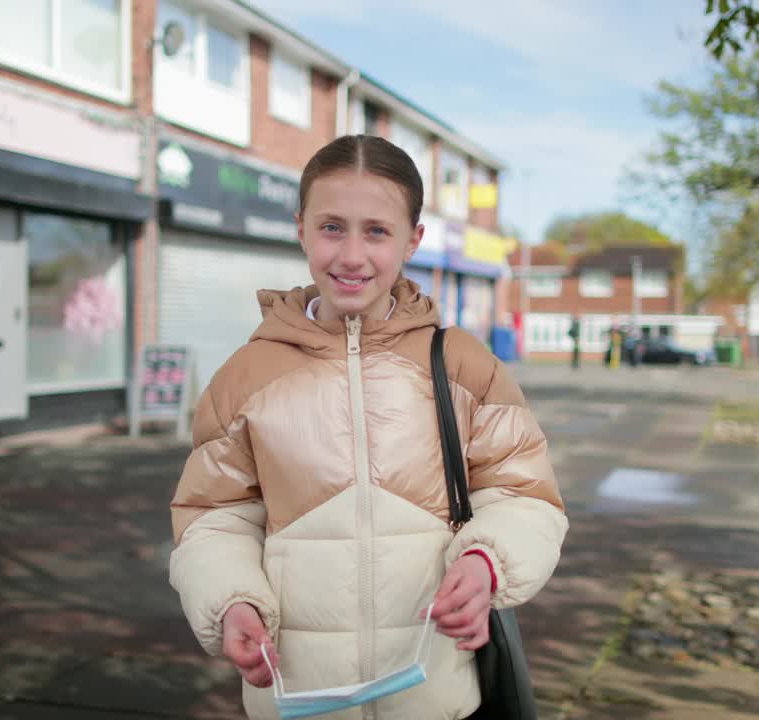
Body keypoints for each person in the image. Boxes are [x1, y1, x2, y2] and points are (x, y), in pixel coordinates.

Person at [168, 135, 568, 720]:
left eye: (376, 231)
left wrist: (487, 562)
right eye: (332, 227)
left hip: (437, 698)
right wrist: (230, 601)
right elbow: (212, 516)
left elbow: (525, 495)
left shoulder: (462, 364)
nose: (351, 255)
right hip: (300, 701)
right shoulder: (244, 376)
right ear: (301, 227)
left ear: (413, 240)